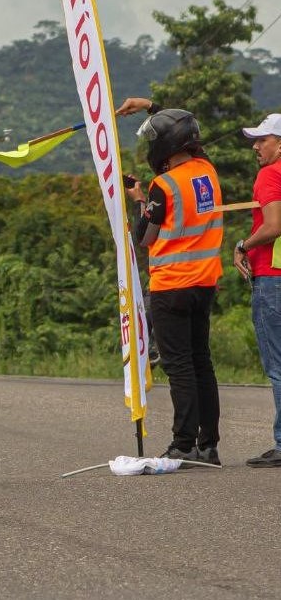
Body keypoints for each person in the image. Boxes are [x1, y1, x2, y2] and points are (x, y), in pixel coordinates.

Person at [122, 104, 223, 465]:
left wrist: (139, 201)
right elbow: (183, 126)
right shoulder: (207, 172)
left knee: (178, 365)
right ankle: (208, 444)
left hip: (171, 285)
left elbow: (145, 236)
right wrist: (152, 108)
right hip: (205, 281)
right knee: (201, 362)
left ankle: (182, 444)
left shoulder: (162, 185)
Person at [233, 113, 281, 467]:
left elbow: (274, 226)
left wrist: (243, 245)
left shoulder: (270, 175)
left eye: (262, 139)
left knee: (278, 366)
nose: (256, 146)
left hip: (273, 278)